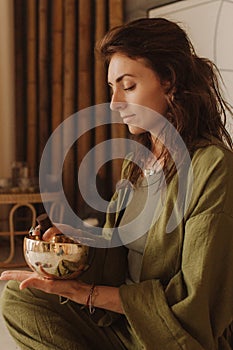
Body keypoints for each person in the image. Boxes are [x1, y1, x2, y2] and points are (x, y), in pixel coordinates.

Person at [1, 17, 233, 350]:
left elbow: (197, 301)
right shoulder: (135, 163)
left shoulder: (214, 167)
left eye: (128, 85)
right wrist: (72, 244)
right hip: (122, 322)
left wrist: (85, 293)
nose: (115, 102)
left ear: (170, 81)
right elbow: (115, 249)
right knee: (21, 299)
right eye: (113, 87)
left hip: (168, 335)